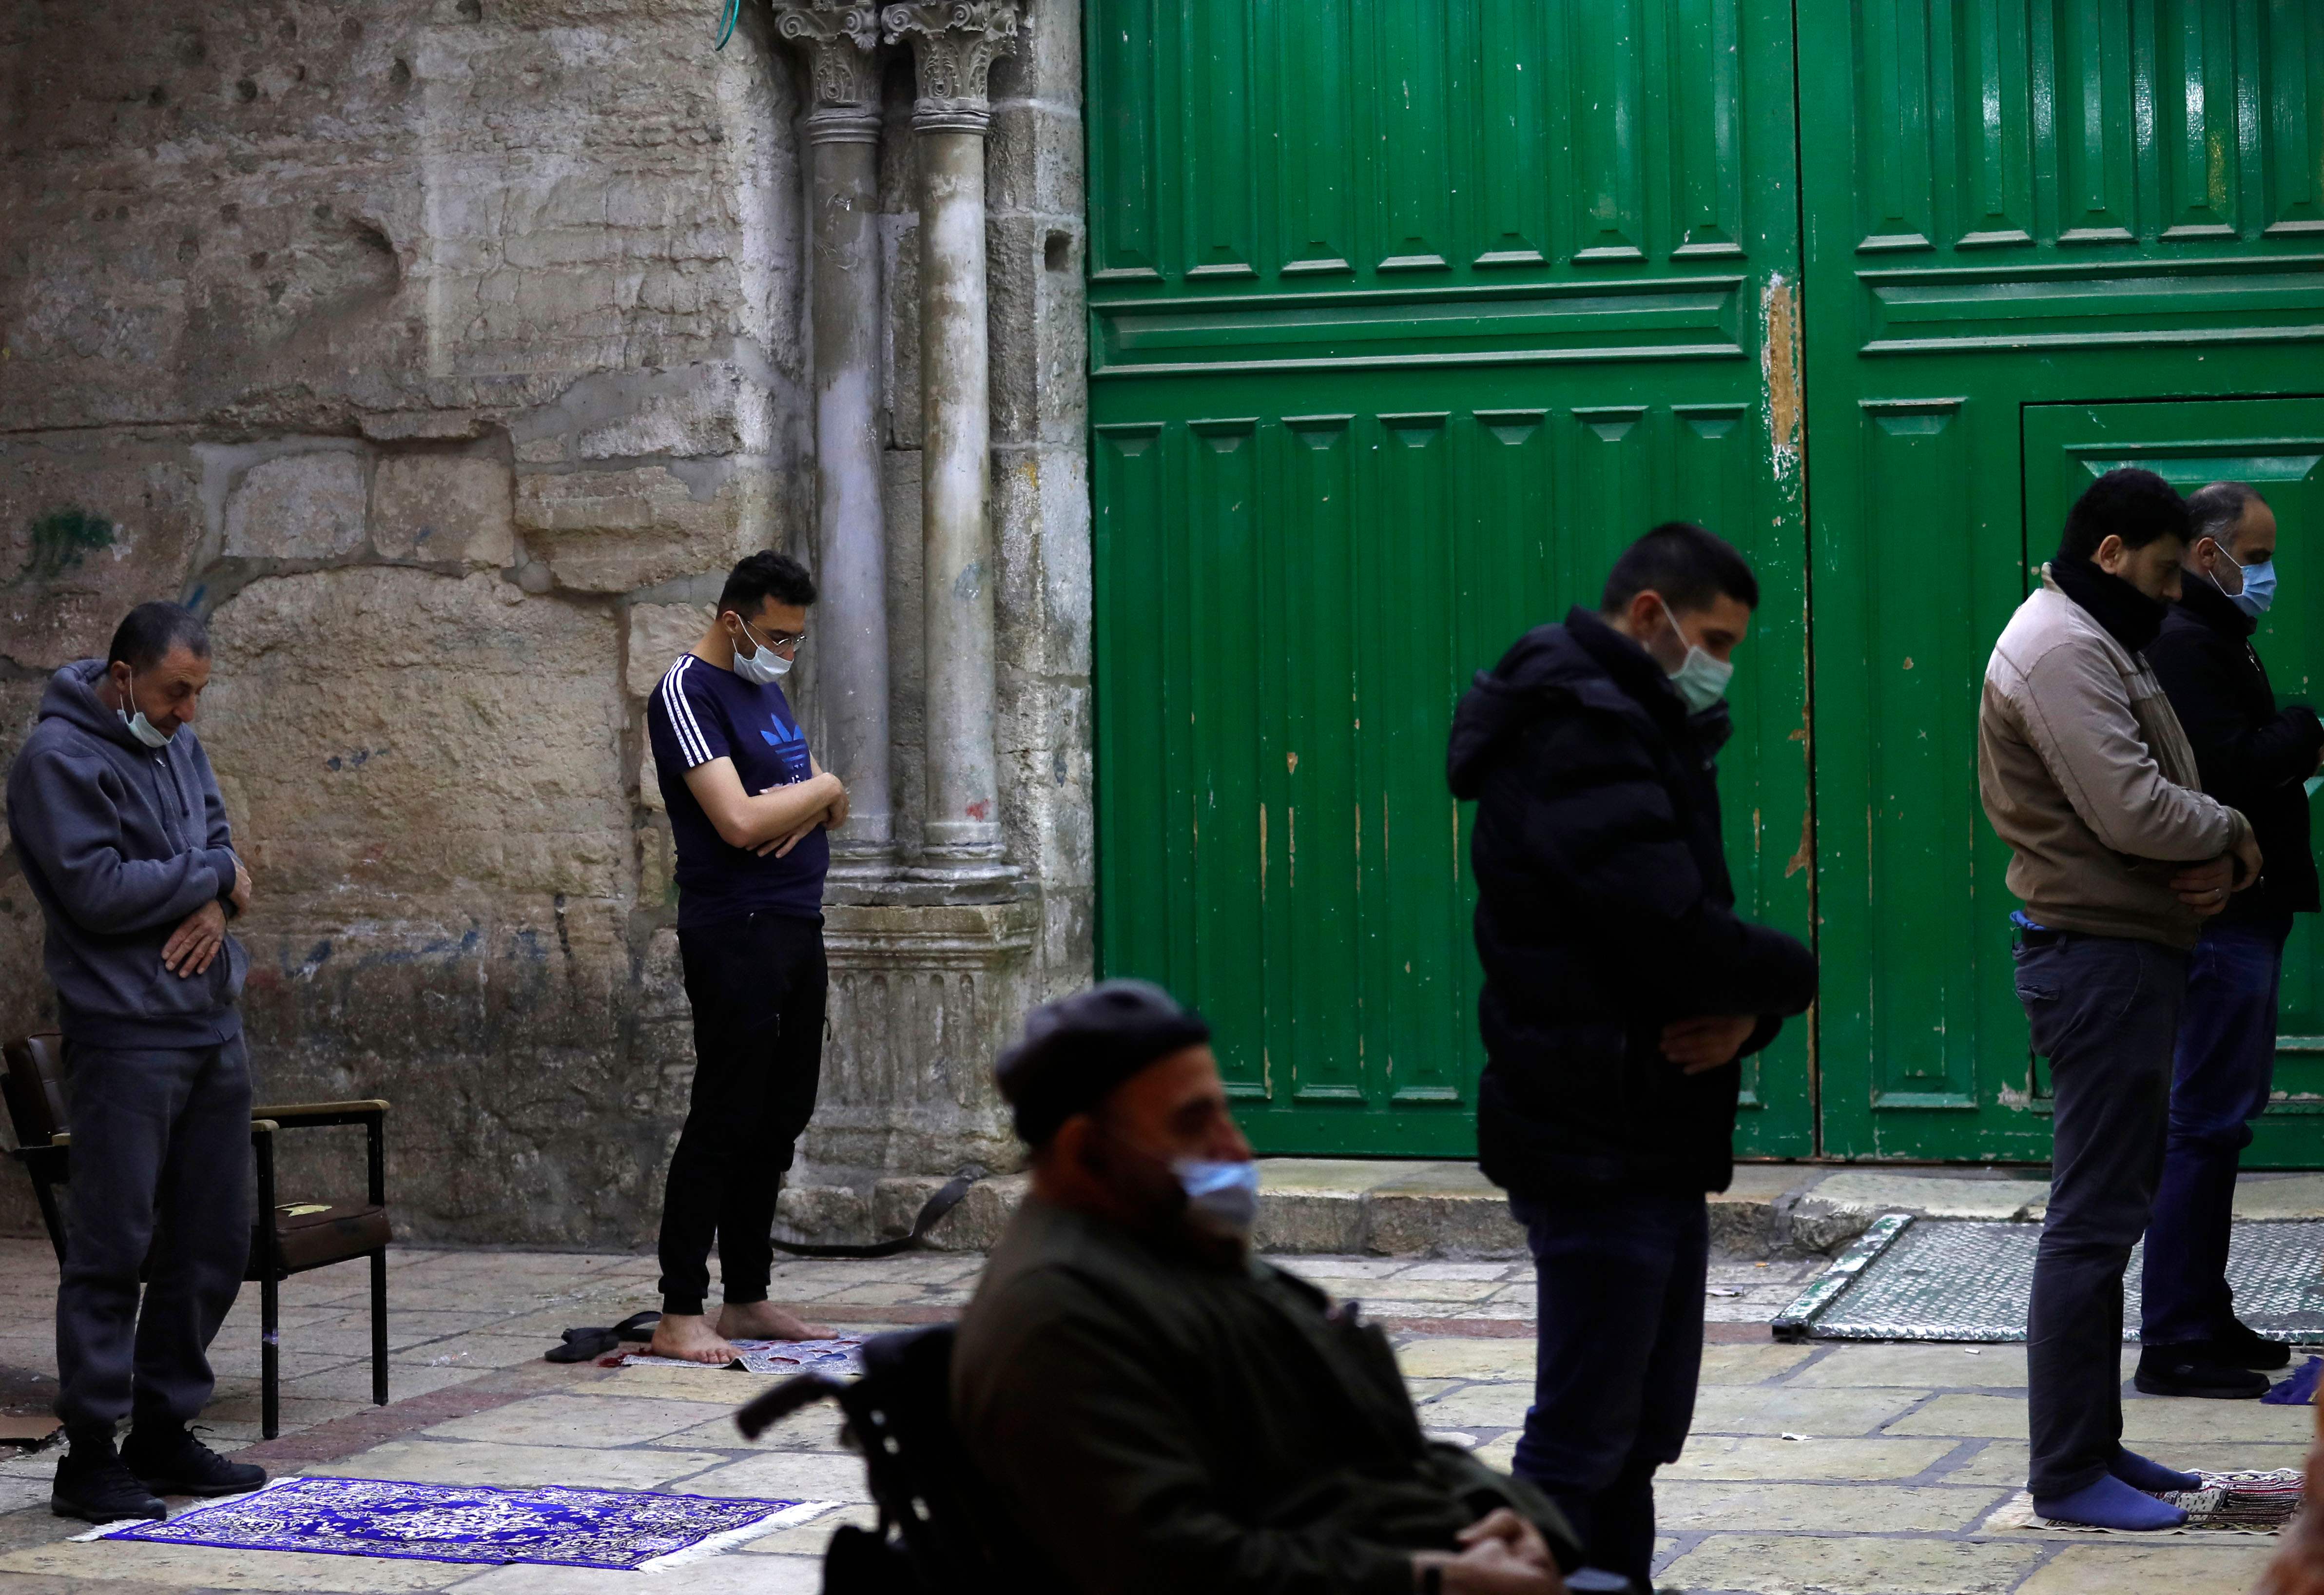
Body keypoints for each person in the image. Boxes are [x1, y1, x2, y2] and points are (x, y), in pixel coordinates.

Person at [1445, 521, 1817, 1588]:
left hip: (1640, 1122)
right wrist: (1791, 977)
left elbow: (1679, 945)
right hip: (1592, 1127)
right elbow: (1667, 929)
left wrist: (1747, 1018)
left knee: (1636, 1427)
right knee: (1581, 1433)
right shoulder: (1581, 729)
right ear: (1649, 615)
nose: (1721, 665)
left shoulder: (1633, 719)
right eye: (1714, 639)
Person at [953, 981, 1580, 1595]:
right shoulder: (1060, 1316)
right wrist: (1435, 1578)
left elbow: (1381, 1442)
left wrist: (1508, 1513)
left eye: (1225, 1112)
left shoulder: (1180, 1250)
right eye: (1193, 1123)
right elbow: (1176, 1562)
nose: (1235, 1148)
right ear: (1086, 1151)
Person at [1977, 467, 2262, 1530]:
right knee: (2090, 1223)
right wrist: (2233, 833)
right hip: (2094, 958)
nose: (2174, 593)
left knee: (2108, 1215)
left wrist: (2217, 857)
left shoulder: (2097, 634)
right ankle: (2064, 1472)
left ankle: (2092, 1443)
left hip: (2122, 951)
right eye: (2161, 571)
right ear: (2108, 554)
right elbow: (2135, 807)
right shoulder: (2059, 646)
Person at [6, 602, 268, 1521]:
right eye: (173, 692)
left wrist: (219, 904)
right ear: (123, 678)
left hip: (209, 1025)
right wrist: (214, 881)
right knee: (113, 1248)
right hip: (124, 1033)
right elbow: (98, 890)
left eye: (198, 693)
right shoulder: (56, 761)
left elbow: (224, 847)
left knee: (213, 1239)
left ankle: (163, 1429)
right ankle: (90, 1454)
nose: (187, 712)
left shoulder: (179, 744)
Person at [643, 551, 847, 1363]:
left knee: (781, 1113)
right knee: (726, 1113)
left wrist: (820, 793)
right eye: (776, 636)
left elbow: (823, 806)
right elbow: (737, 820)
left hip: (796, 919)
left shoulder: (764, 690)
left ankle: (748, 1298)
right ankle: (678, 1309)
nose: (786, 652)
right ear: (733, 621)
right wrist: (823, 790)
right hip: (737, 927)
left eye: (797, 639)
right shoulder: (687, 690)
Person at [2142, 482, 2319, 1397]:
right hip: (2222, 920)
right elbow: (2231, 767)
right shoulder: (2186, 641)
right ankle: (2174, 1336)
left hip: (2249, 910)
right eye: (2255, 556)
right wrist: (2306, 727)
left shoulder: (2217, 636)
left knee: (2219, 1123)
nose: (2266, 573)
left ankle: (2202, 1313)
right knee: (2202, 1124)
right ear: (2205, 553)